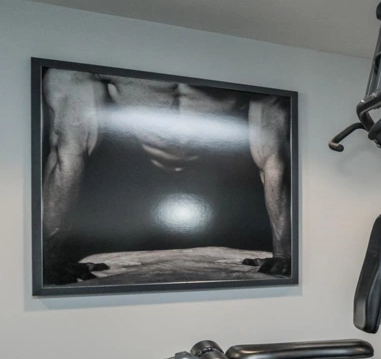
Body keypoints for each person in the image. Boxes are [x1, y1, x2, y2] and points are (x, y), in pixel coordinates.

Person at [41, 69, 291, 285]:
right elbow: (68, 153)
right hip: (133, 176)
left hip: (218, 182)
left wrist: (284, 255)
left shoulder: (253, 73)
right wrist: (48, 261)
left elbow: (274, 160)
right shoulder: (88, 64)